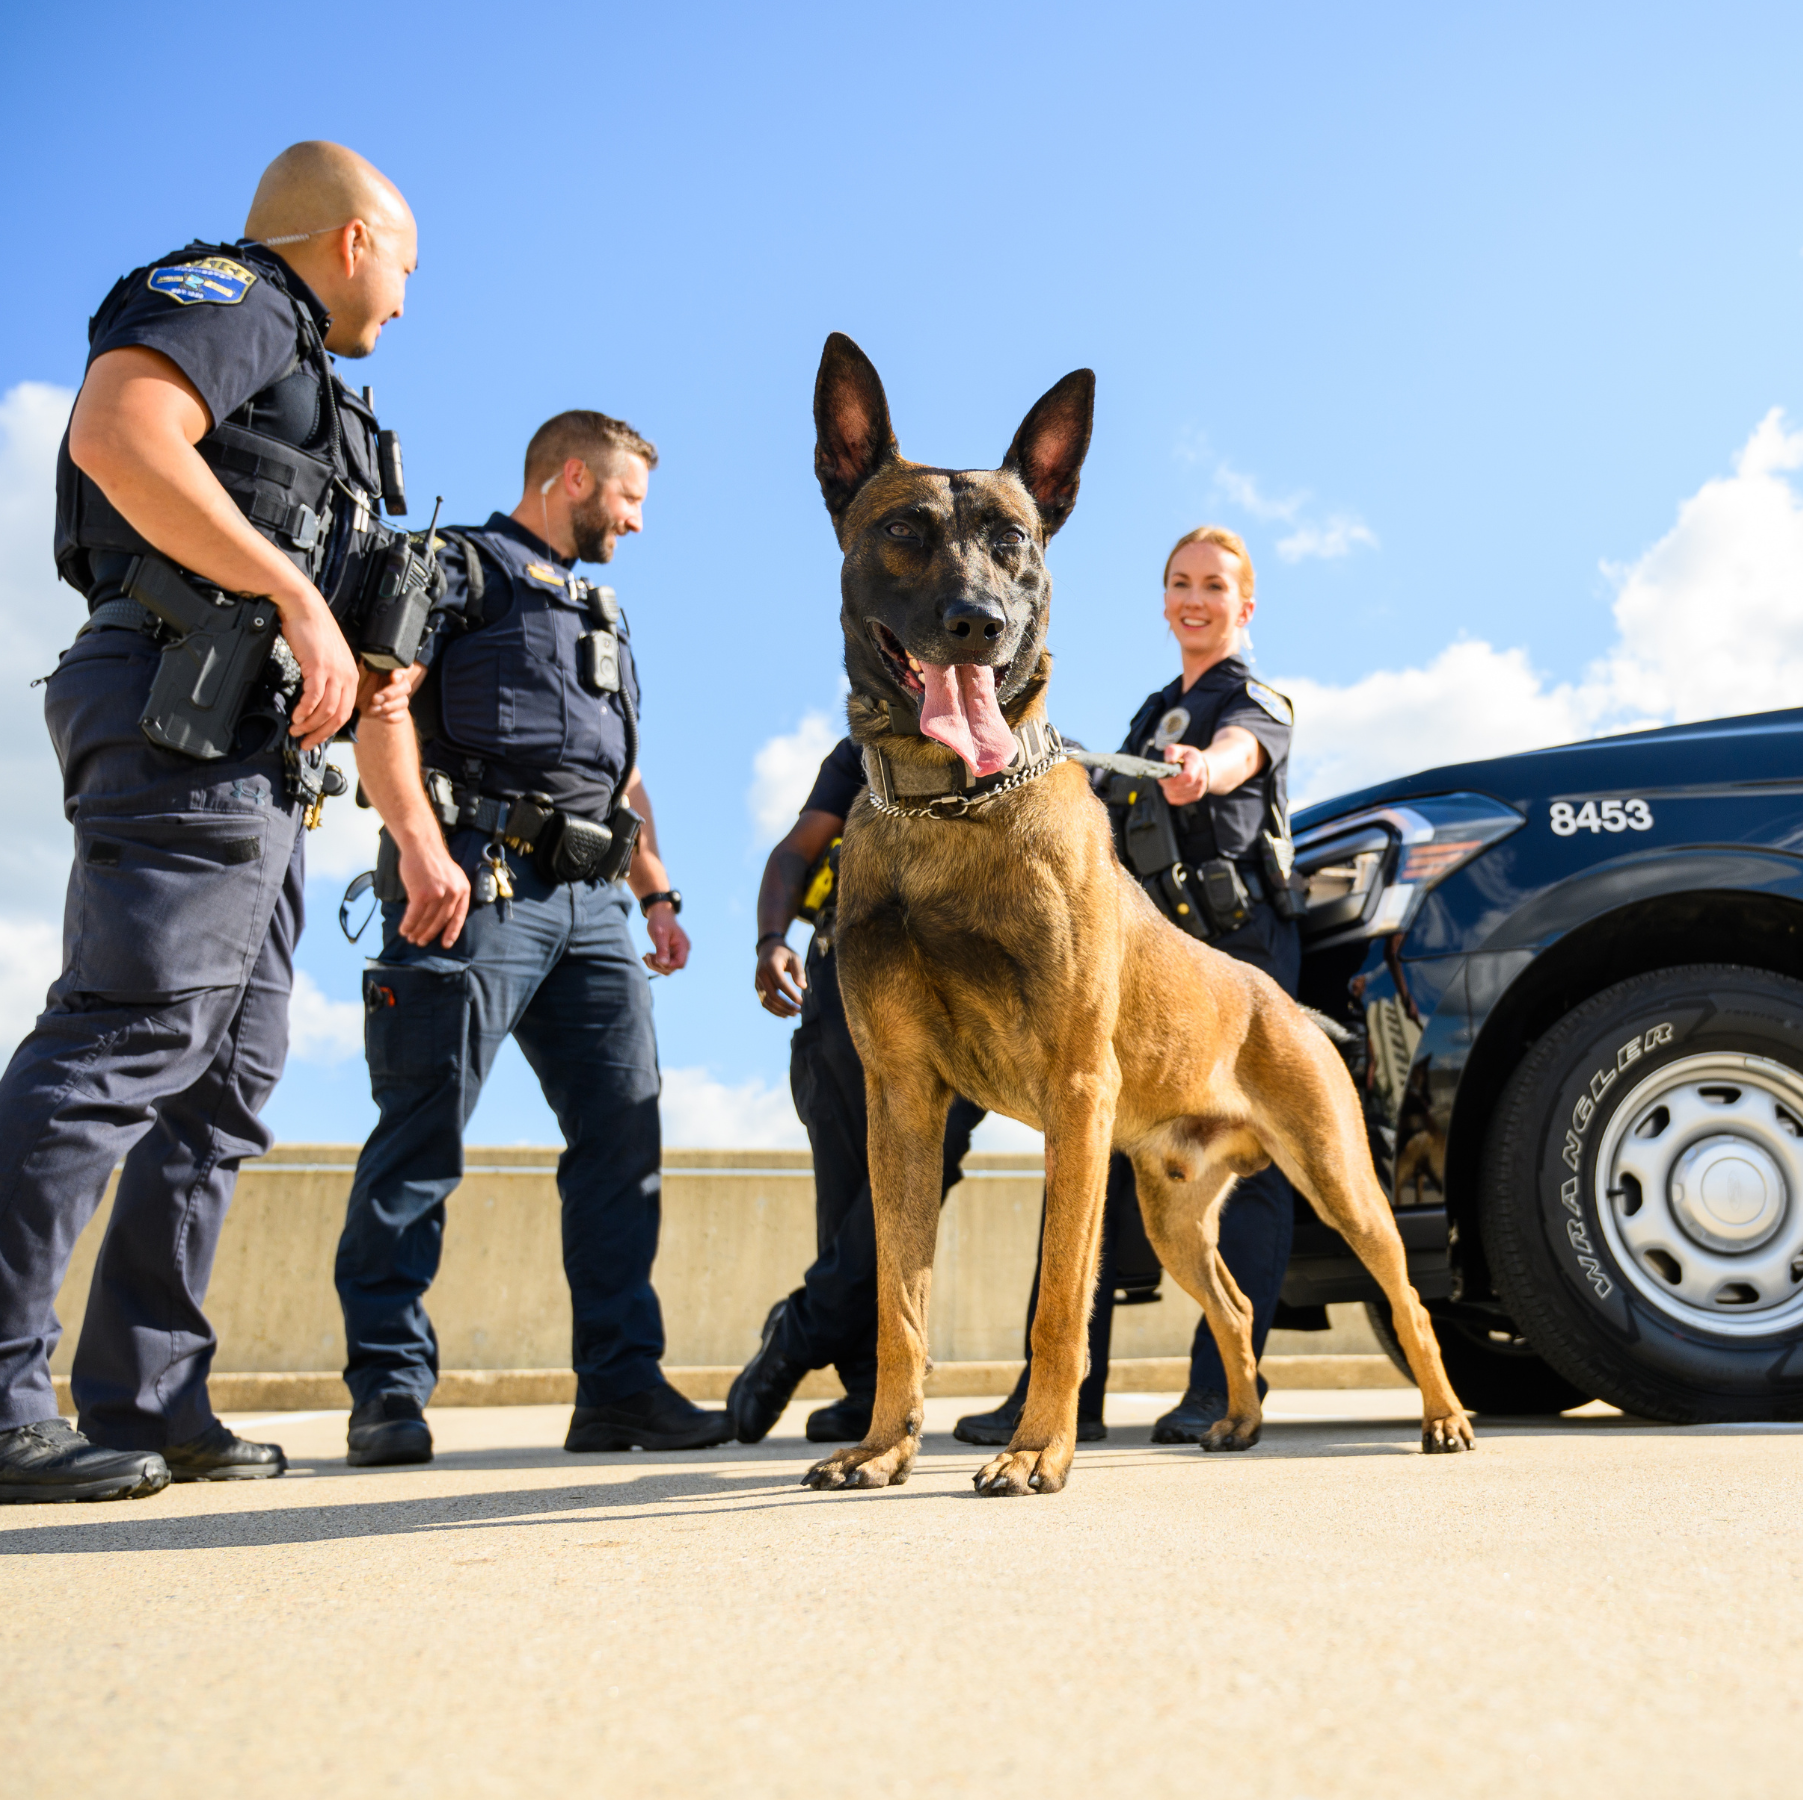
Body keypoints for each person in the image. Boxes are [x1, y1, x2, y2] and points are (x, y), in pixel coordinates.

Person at [0, 143, 418, 1503]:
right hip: (183, 704)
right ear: (355, 240)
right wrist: (295, 597)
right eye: (406, 267)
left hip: (255, 748)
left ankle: (151, 1396)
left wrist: (356, 639)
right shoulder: (241, 297)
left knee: (224, 1086)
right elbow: (119, 431)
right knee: (126, 1033)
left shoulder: (309, 376)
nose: (406, 303)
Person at [335, 410, 727, 1464]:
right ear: (569, 478)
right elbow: (382, 705)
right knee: (420, 1137)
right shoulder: (456, 568)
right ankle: (386, 1391)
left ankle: (620, 1391)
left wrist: (657, 895)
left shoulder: (601, 605)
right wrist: (419, 848)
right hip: (475, 880)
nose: (638, 525)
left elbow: (622, 772)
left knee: (621, 1140)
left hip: (595, 906)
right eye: (629, 500)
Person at [955, 524, 1300, 1448]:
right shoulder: (1151, 713)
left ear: (1245, 604)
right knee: (1085, 1151)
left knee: (1249, 1170)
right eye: (1181, 583)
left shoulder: (1254, 701)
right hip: (1146, 970)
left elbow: (1236, 758)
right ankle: (1065, 1390)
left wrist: (1204, 771)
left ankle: (1220, 1386)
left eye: (1215, 587)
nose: (1196, 599)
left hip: (1239, 958)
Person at [727, 736, 978, 1445]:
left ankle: (797, 1334)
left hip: (964, 1002)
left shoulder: (1021, 748)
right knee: (846, 1197)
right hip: (848, 985)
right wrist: (768, 938)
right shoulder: (864, 752)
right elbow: (794, 850)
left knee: (919, 1175)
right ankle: (871, 1389)